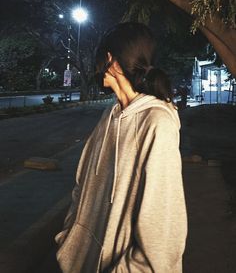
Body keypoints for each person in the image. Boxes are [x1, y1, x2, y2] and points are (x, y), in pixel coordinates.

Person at [55, 22, 187, 273]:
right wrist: (69, 239)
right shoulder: (110, 115)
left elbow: (164, 229)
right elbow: (81, 185)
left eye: (101, 57)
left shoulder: (157, 122)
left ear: (112, 60)